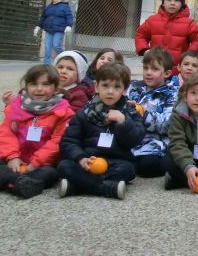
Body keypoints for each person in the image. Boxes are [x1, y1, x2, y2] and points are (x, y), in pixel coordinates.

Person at [0, 65, 73, 199]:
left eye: (46, 84)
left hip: (41, 164)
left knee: (50, 173)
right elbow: (5, 134)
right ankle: (18, 182)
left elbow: (57, 141)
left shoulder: (63, 112)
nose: (39, 89)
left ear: (56, 88)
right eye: (33, 84)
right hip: (15, 161)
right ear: (26, 86)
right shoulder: (16, 106)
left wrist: (36, 163)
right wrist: (12, 157)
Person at [57, 63, 145, 199]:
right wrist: (80, 158)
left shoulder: (131, 113)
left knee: (127, 169)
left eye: (117, 87)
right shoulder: (84, 113)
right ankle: (106, 187)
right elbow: (69, 141)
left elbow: (135, 140)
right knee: (64, 166)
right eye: (105, 86)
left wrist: (123, 122)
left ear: (124, 90)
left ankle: (77, 186)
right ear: (96, 87)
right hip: (88, 161)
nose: (110, 91)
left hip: (116, 161)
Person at [126, 47, 178, 178]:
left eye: (154, 69)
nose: (148, 73)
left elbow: (166, 125)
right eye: (145, 68)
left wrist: (144, 113)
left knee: (148, 166)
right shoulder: (134, 88)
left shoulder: (172, 94)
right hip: (131, 139)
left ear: (166, 73)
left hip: (155, 143)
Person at [135, 0, 198, 72]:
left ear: (182, 4)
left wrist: (189, 55)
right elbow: (140, 34)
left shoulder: (188, 23)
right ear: (163, 2)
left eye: (176, 0)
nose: (172, 3)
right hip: (155, 68)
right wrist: (145, 50)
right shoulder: (152, 20)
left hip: (177, 70)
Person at [35, 0, 73, 65]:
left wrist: (69, 25)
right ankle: (47, 66)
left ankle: (65, 57)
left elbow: (69, 16)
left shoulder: (65, 6)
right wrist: (38, 26)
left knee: (56, 46)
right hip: (49, 29)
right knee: (47, 48)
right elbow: (43, 17)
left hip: (59, 30)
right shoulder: (49, 7)